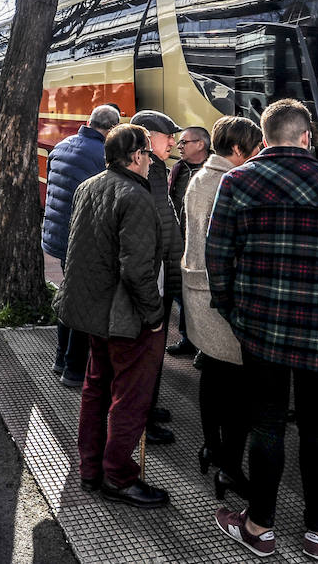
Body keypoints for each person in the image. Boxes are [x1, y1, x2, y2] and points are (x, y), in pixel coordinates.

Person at [205, 98, 318, 561]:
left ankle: (259, 526)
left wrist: (233, 313)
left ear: (264, 139)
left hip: (262, 331)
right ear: (306, 137)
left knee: (267, 424)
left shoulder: (237, 181)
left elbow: (216, 257)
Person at [55, 123, 167, 509]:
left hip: (94, 315)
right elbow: (136, 270)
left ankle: (90, 470)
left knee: (96, 390)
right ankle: (118, 476)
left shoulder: (90, 186)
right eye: (149, 154)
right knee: (129, 400)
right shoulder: (135, 196)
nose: (151, 161)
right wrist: (155, 316)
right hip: (126, 319)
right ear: (136, 156)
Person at [181, 116, 262, 501]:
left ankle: (211, 447)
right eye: (255, 148)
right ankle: (230, 467)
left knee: (212, 375)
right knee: (240, 390)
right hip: (223, 295)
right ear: (237, 149)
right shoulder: (231, 182)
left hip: (198, 290)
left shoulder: (199, 176)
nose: (259, 154)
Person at [42, 104, 121, 387]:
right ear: (111, 129)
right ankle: (72, 369)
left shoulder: (62, 146)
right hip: (81, 239)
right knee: (82, 303)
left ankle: (61, 358)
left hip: (58, 234)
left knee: (69, 293)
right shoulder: (103, 155)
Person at [128, 109, 184, 445]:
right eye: (168, 136)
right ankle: (142, 417)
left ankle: (147, 407)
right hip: (155, 274)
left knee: (153, 350)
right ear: (148, 136)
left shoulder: (157, 168)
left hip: (161, 270)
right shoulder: (149, 171)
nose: (173, 142)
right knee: (147, 352)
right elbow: (159, 226)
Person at [166, 124, 210, 356]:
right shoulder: (179, 168)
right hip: (181, 241)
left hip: (203, 244)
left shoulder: (212, 170)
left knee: (201, 296)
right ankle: (188, 339)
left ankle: (204, 343)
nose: (179, 146)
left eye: (185, 142)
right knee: (182, 292)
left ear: (201, 144)